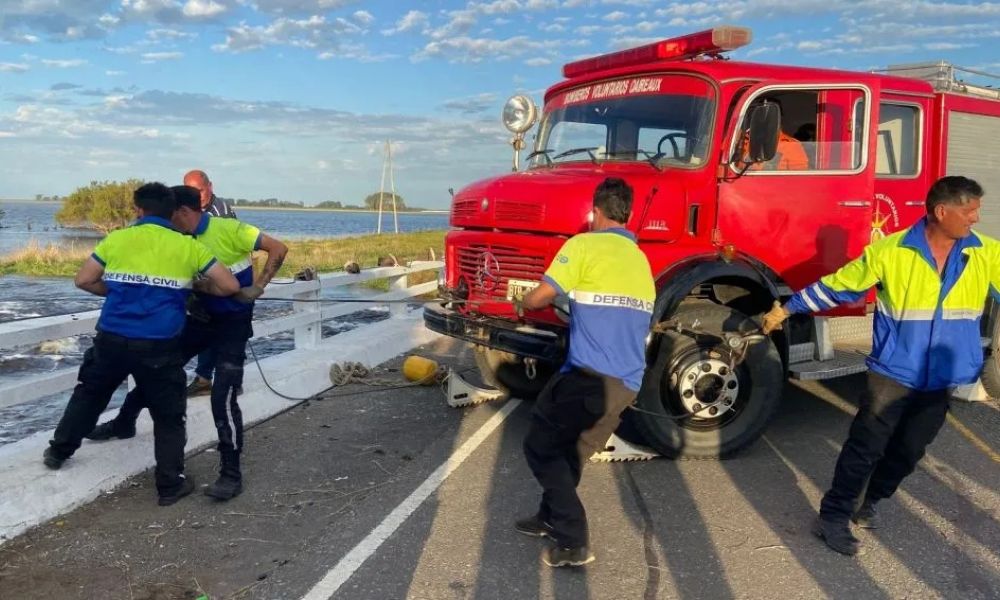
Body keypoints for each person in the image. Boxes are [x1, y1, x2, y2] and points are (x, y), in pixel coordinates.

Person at [762, 176, 991, 556]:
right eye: (969, 211)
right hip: (894, 372)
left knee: (909, 450)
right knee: (865, 446)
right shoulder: (890, 251)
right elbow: (838, 285)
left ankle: (870, 500)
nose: (975, 219)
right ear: (942, 211)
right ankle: (833, 516)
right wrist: (787, 308)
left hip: (940, 378)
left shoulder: (984, 252)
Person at [43, 183, 240, 507]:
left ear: (139, 210)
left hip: (112, 339)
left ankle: (58, 451)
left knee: (89, 396)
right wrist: (189, 289)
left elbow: (83, 279)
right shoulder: (187, 247)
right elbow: (229, 285)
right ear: (172, 212)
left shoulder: (118, 239)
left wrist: (121, 292)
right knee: (168, 416)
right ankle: (169, 485)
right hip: (159, 347)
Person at [88, 185, 288, 501]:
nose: (166, 223)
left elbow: (279, 248)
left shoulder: (231, 229)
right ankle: (123, 422)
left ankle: (230, 473)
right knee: (158, 372)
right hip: (199, 320)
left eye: (169, 217)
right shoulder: (180, 240)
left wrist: (259, 286)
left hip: (232, 326)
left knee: (222, 396)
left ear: (182, 212)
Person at [514, 177, 655, 568]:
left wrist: (522, 303)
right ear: (625, 213)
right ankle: (549, 516)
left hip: (588, 377)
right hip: (627, 383)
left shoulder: (583, 244)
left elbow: (543, 295)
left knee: (539, 446)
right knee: (572, 453)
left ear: (596, 212)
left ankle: (573, 540)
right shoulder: (640, 259)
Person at [183, 169, 236, 397]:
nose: (198, 196)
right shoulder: (185, 211)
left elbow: (230, 246)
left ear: (210, 187)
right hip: (197, 282)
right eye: (192, 191)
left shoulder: (221, 211)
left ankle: (216, 379)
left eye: (201, 190)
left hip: (221, 279)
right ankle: (204, 377)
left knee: (226, 331)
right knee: (202, 329)